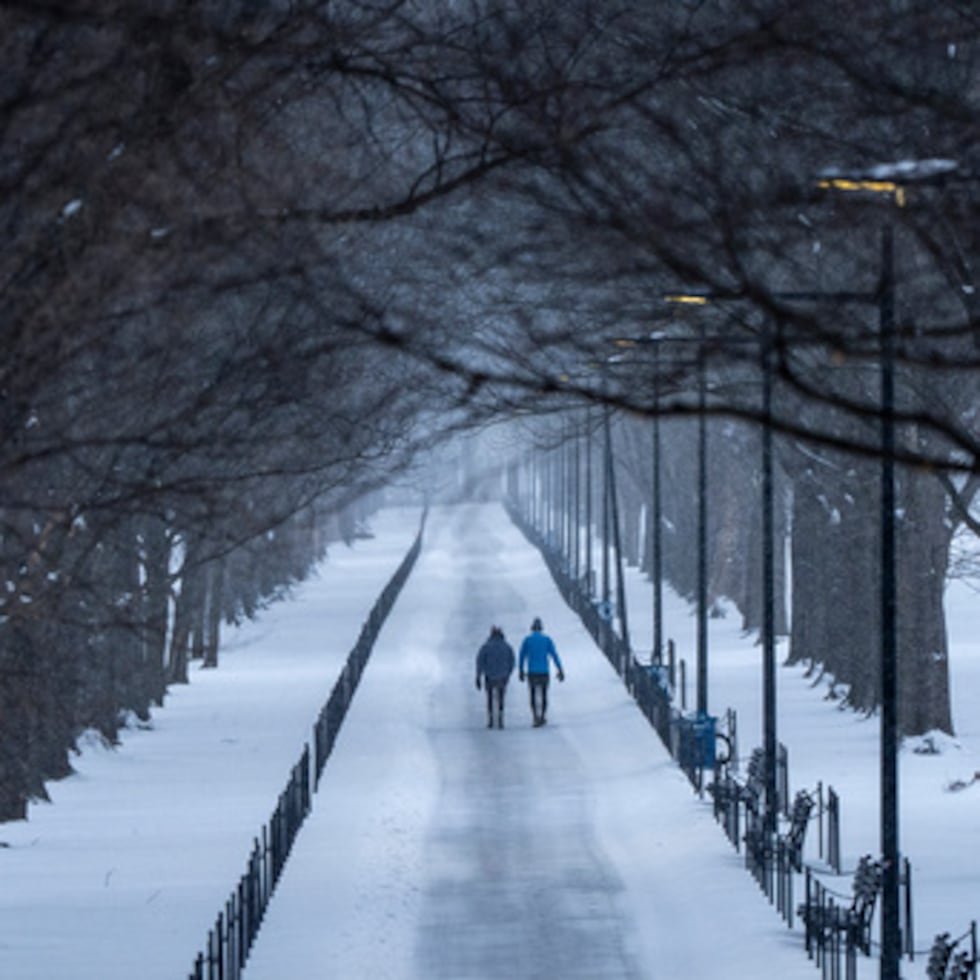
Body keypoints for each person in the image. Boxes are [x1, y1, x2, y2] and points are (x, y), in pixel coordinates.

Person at [518, 617, 564, 727]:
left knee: (532, 694)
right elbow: (554, 655)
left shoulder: (527, 640)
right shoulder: (547, 640)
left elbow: (522, 656)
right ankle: (543, 716)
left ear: (532, 628)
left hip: (532, 671)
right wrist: (560, 669)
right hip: (544, 671)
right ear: (541, 628)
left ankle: (535, 716)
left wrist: (520, 670)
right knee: (544, 694)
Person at [475, 626, 516, 729]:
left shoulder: (485, 647)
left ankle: (490, 719)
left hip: (489, 675)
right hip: (503, 676)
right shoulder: (507, 646)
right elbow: (512, 661)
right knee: (501, 696)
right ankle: (501, 717)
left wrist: (478, 676)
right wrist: (508, 673)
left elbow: (480, 662)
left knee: (489, 697)